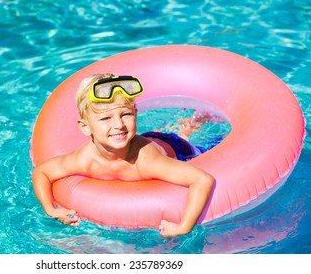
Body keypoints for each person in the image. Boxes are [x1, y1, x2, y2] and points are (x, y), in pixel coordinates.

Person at [32, 73, 215, 238]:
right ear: (84, 126)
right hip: (145, 139)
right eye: (106, 118)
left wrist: (184, 227)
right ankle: (186, 127)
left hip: (177, 149)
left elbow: (202, 179)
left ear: (136, 114)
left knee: (198, 143)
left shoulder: (146, 161)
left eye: (126, 114)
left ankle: (190, 127)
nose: (119, 124)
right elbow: (42, 173)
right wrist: (51, 210)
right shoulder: (84, 159)